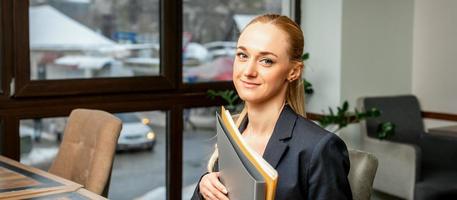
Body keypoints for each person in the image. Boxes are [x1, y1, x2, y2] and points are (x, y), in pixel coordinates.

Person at [192, 13, 352, 200]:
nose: (248, 71)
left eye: (266, 60)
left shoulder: (320, 148)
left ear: (293, 71)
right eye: (243, 55)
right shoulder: (234, 132)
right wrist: (205, 187)